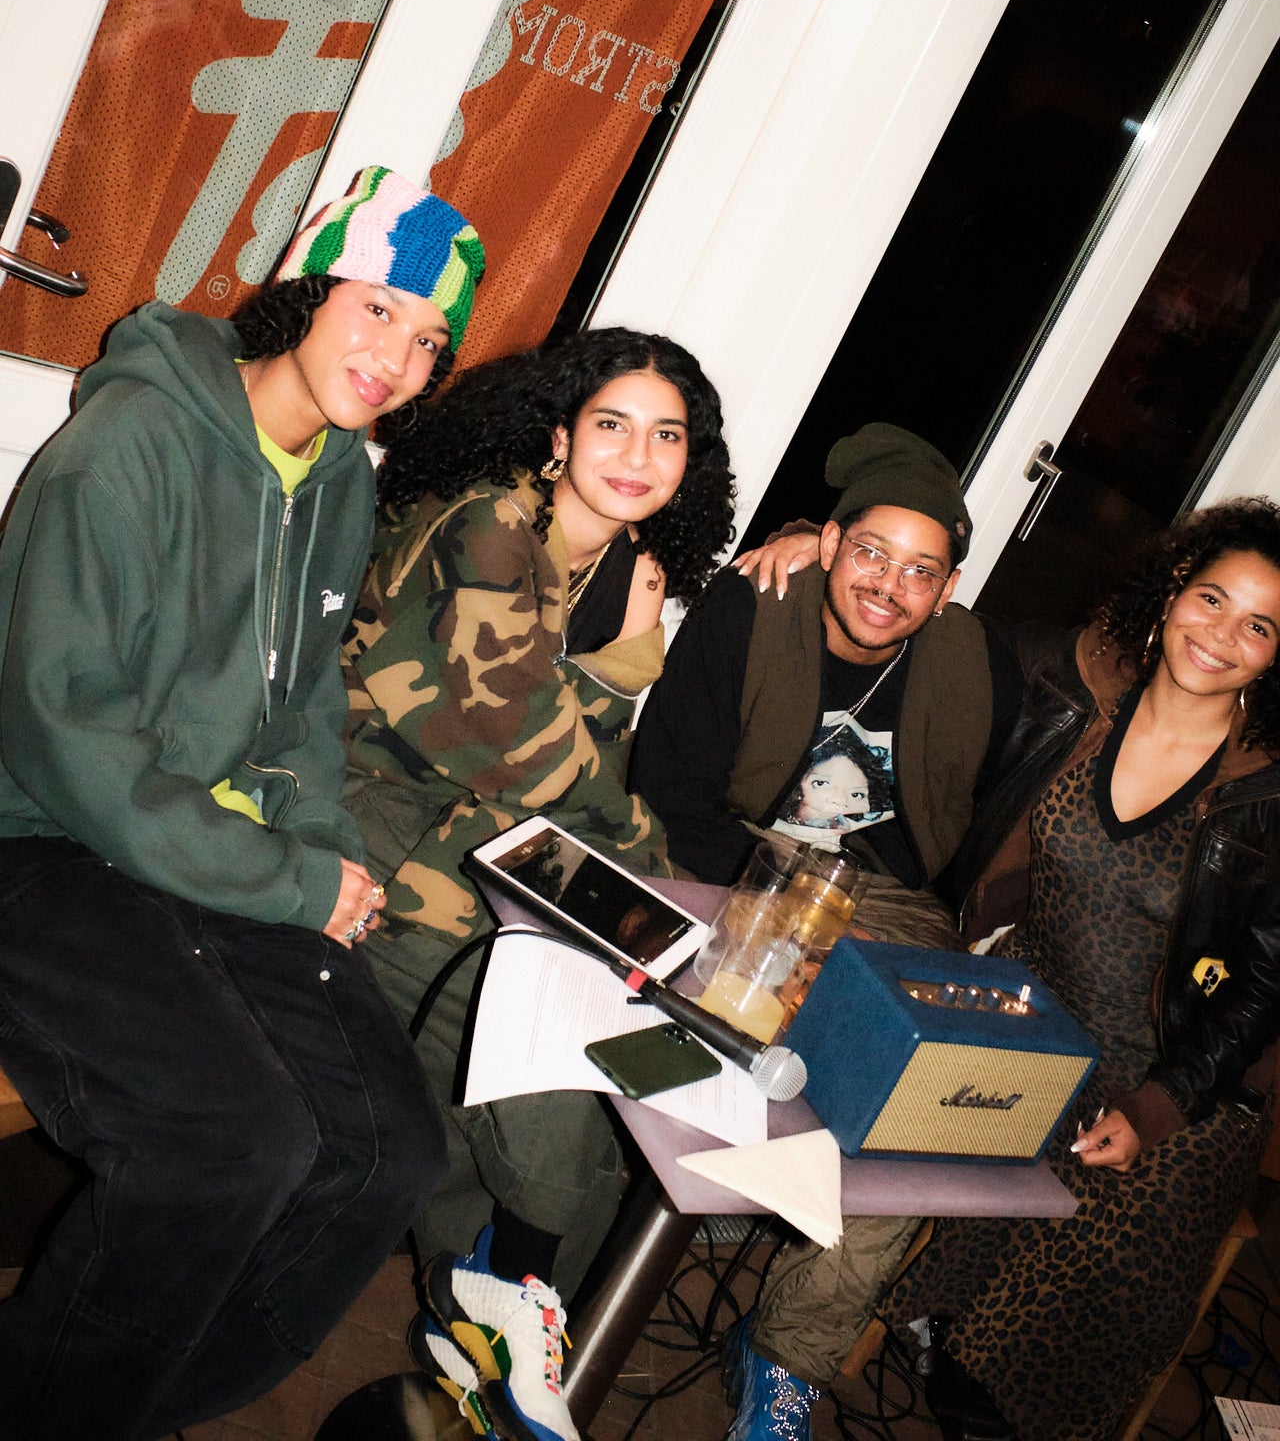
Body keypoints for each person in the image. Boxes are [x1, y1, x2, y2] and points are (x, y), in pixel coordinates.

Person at [0, 165, 484, 1441]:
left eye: (426, 340)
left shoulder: (340, 476)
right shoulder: (125, 446)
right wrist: (286, 880)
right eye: (377, 309)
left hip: (213, 844)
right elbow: (62, 733)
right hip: (43, 835)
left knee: (391, 1150)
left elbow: (305, 700)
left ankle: (130, 1400)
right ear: (305, 292)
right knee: (229, 1140)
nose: (395, 359)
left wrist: (321, 850)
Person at [340, 326, 735, 1441]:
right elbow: (522, 743)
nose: (638, 455)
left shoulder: (613, 565)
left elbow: (559, 757)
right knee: (556, 1062)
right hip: (373, 835)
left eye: (667, 436)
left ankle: (490, 1308)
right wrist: (650, 862)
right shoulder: (488, 524)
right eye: (612, 424)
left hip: (494, 844)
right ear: (558, 435)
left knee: (629, 1033)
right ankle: (507, 1301)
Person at [628, 421, 1022, 1441]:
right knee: (721, 1017)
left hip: (884, 896)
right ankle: (680, 1210)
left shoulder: (976, 662)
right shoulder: (752, 607)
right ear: (831, 541)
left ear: (948, 588)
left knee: (925, 1096)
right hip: (738, 856)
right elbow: (669, 787)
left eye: (921, 571)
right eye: (871, 553)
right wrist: (775, 908)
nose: (889, 586)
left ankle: (786, 1354)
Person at [879, 496, 1280, 1441]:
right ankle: (948, 1340)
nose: (1220, 636)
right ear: (1173, 591)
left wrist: (1158, 1108)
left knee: (1034, 1353)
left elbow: (1261, 993)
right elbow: (932, 624)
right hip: (1039, 1016)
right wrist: (808, 550)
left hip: (1182, 1075)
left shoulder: (1267, 792)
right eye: (1211, 599)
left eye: (1259, 626)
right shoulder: (1082, 686)